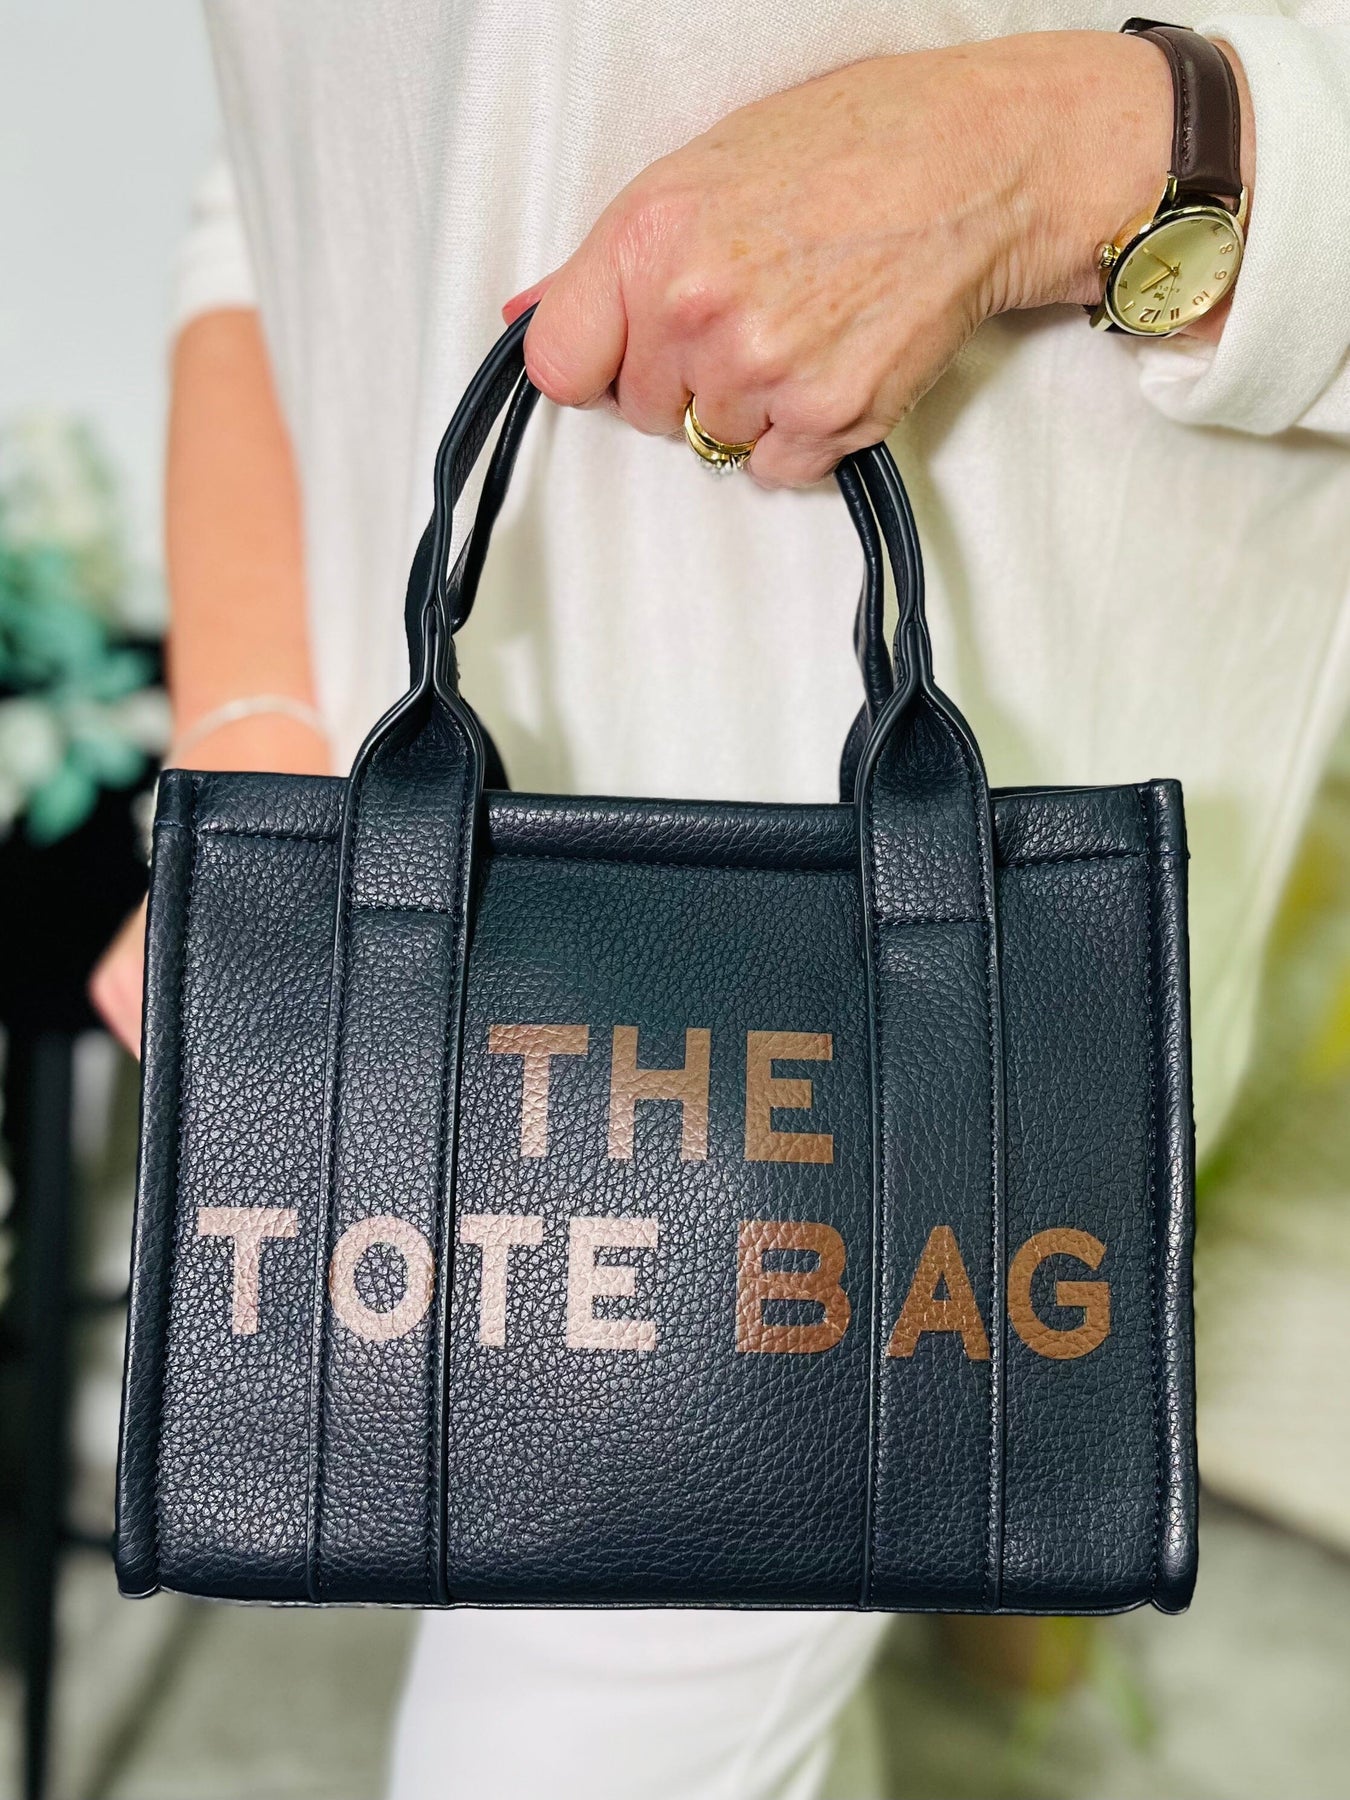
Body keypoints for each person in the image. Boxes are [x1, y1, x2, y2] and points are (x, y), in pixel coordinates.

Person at [92, 5, 1350, 1797]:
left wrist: (1033, 154)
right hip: (424, 920)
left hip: (933, 1013)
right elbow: (279, 188)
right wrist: (253, 732)